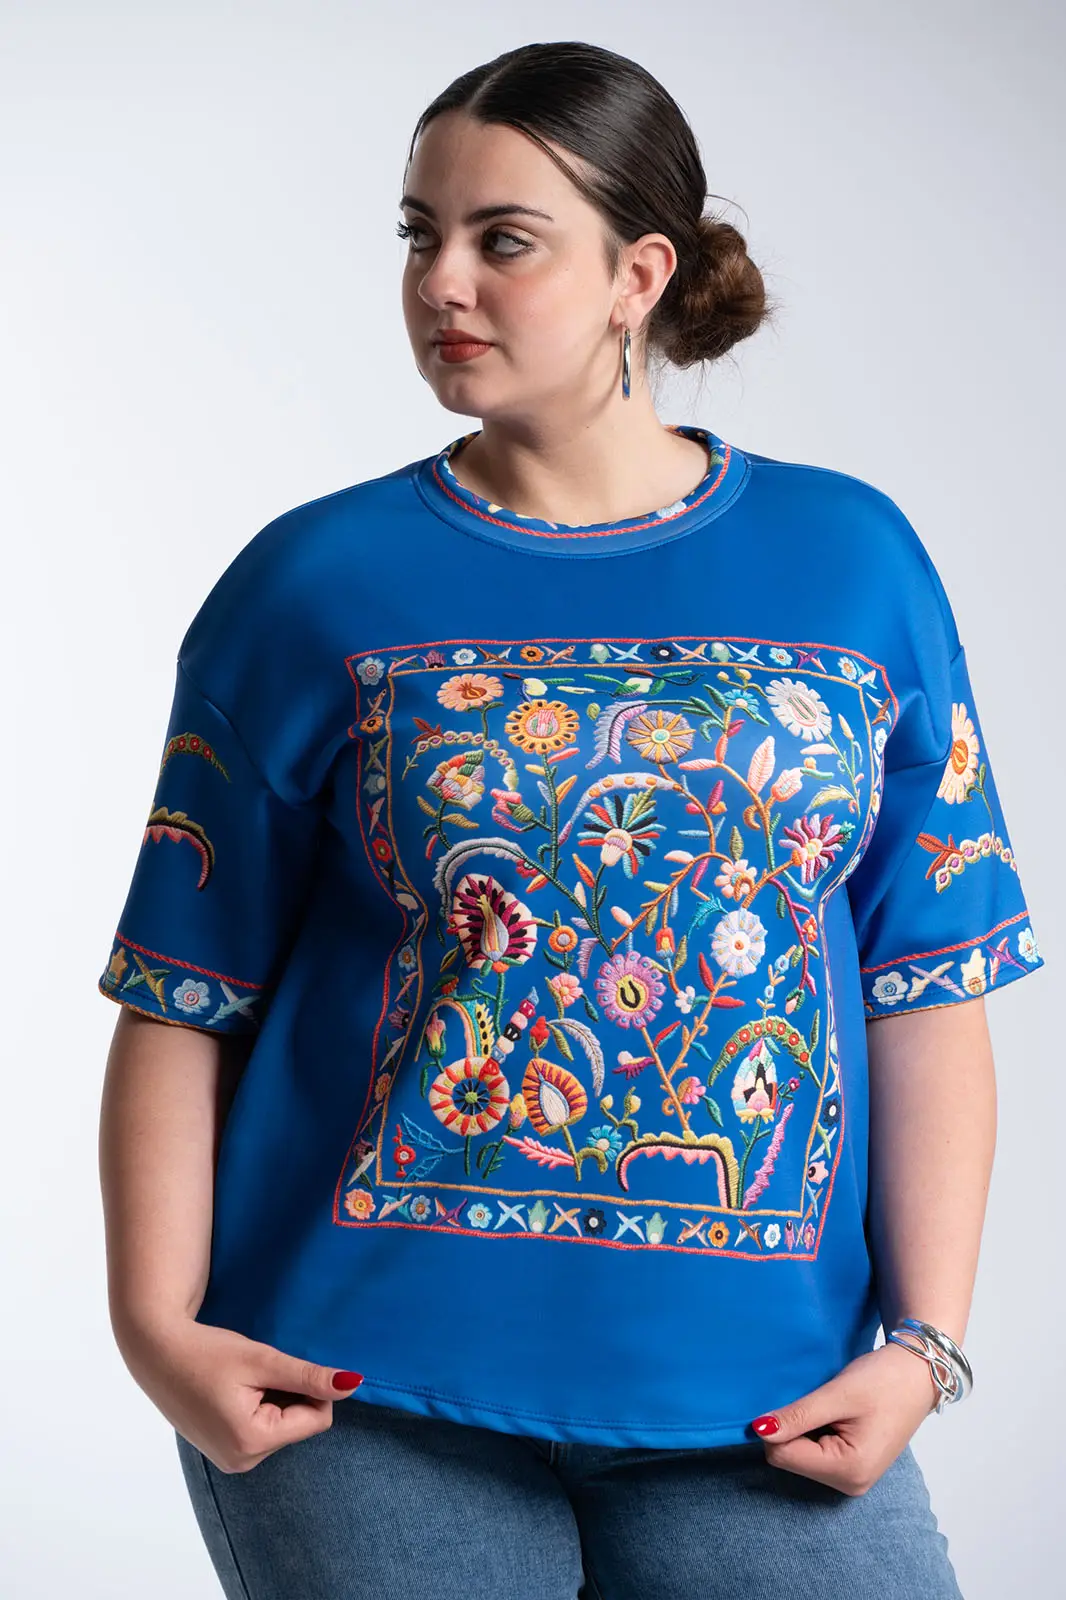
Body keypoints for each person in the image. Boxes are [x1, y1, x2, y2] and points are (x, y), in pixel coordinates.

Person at [97, 39, 1044, 1600]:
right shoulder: (311, 583)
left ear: (637, 276)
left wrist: (925, 1343)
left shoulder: (850, 560)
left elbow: (927, 976)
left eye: (504, 239)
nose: (442, 282)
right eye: (420, 234)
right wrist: (155, 1330)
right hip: (353, 1385)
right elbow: (182, 988)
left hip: (769, 1396)